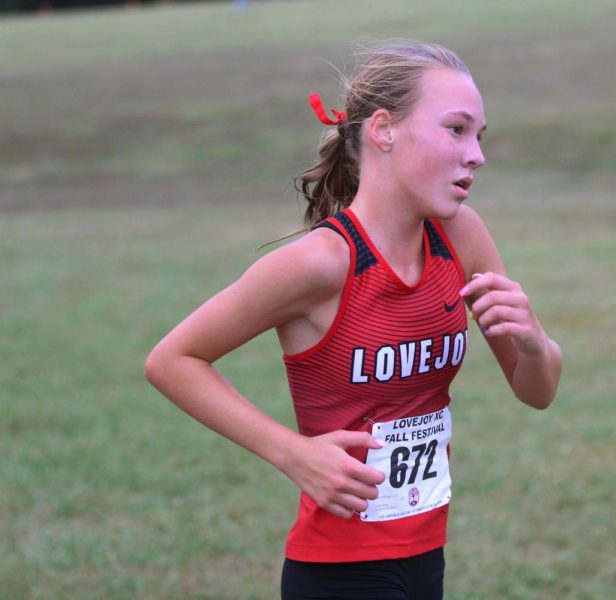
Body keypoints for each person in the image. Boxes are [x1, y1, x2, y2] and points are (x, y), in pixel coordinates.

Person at [144, 40, 562, 599]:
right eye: (456, 129)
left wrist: (533, 342)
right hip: (338, 571)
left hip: (425, 556)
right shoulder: (320, 264)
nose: (477, 154)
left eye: (479, 136)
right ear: (384, 130)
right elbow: (172, 360)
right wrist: (292, 453)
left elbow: (537, 392)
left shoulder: (462, 237)